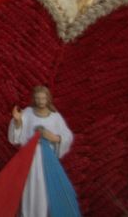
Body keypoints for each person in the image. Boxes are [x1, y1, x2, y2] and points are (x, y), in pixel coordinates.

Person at [8, 85, 81, 217]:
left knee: (45, 190)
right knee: (29, 189)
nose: (40, 101)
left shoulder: (55, 117)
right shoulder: (28, 113)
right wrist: (18, 121)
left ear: (48, 99)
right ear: (34, 99)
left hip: (47, 161)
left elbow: (67, 136)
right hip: (29, 159)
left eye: (43, 98)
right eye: (37, 98)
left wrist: (53, 137)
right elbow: (17, 136)